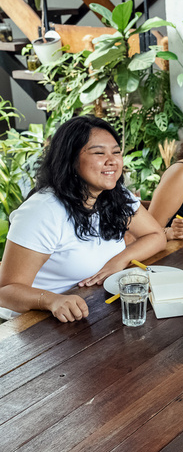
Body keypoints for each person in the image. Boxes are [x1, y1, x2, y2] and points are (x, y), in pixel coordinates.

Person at [0, 116, 166, 322]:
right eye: (99, 153)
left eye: (116, 152)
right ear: (70, 159)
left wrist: (118, 261)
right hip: (36, 323)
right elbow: (6, 291)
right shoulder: (43, 210)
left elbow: (156, 235)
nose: (112, 160)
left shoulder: (115, 194)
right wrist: (52, 300)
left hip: (93, 308)